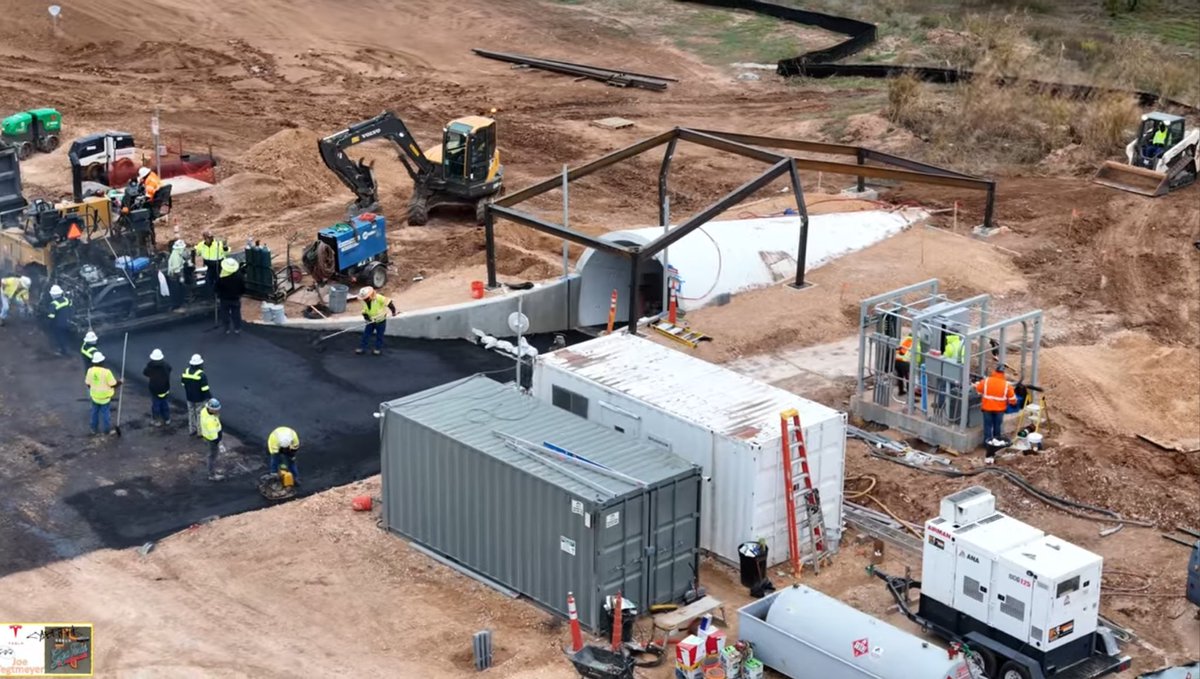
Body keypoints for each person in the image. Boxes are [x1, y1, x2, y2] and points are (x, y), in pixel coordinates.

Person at [974, 364, 1018, 463]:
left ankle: (987, 446)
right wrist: (1010, 402)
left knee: (987, 427)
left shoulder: (987, 381)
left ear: (995, 371)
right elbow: (1013, 400)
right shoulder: (1006, 385)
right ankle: (997, 446)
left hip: (987, 409)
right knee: (997, 426)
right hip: (999, 410)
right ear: (1003, 373)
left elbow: (978, 389)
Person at [85, 351, 120, 436]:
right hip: (105, 398)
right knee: (105, 415)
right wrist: (121, 382)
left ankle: (93, 429)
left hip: (94, 397)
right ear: (102, 361)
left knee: (94, 413)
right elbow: (113, 384)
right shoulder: (106, 372)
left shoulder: (90, 371)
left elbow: (88, 383)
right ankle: (107, 431)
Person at [356, 286, 396, 356]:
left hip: (380, 321)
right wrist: (366, 317)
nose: (364, 300)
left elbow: (389, 303)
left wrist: (393, 311)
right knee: (366, 334)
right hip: (370, 321)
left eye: (366, 298)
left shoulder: (379, 298)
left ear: (370, 295)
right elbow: (364, 311)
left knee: (379, 336)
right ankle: (362, 348)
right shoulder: (364, 301)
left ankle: (377, 349)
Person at [181, 353, 212, 436]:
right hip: (199, 399)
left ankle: (192, 429)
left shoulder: (185, 371)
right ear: (199, 364)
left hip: (189, 397)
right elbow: (205, 389)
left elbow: (183, 384)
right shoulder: (201, 375)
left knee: (191, 413)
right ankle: (200, 432)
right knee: (200, 414)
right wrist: (209, 398)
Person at [214, 257, 245, 334]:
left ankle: (227, 328)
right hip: (235, 298)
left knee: (225, 314)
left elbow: (216, 288)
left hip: (224, 299)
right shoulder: (239, 276)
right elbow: (243, 287)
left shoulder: (221, 277)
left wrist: (218, 295)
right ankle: (237, 328)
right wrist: (240, 294)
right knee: (236, 313)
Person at [143, 348, 173, 427]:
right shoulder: (166, 366)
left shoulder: (151, 367)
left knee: (156, 406)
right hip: (165, 389)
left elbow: (145, 373)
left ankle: (156, 420)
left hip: (155, 391)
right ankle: (167, 419)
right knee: (165, 405)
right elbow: (170, 369)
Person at [198, 398, 225, 481]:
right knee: (212, 456)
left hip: (207, 437)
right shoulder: (210, 421)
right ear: (211, 409)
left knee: (211, 455)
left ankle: (212, 471)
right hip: (212, 440)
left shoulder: (204, 411)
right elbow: (214, 437)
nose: (217, 411)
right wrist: (220, 444)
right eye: (216, 410)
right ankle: (212, 475)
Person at [195, 231, 229, 297]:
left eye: (211, 237)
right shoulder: (201, 245)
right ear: (204, 238)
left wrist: (225, 246)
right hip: (209, 266)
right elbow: (198, 253)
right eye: (208, 238)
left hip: (218, 265)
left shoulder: (218, 244)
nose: (211, 239)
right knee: (208, 281)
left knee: (220, 281)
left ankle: (221, 295)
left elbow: (226, 252)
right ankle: (210, 296)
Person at [46, 284, 73, 356]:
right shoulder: (66, 300)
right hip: (68, 322)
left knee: (60, 337)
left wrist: (48, 325)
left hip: (59, 325)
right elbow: (71, 308)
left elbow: (51, 316)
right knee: (66, 336)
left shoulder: (53, 304)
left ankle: (64, 352)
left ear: (53, 295)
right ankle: (69, 348)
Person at [894, 332, 920, 396]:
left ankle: (901, 391)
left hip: (896, 361)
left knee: (900, 377)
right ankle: (910, 397)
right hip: (905, 362)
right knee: (909, 379)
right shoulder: (915, 343)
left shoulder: (904, 340)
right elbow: (917, 357)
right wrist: (918, 363)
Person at [167, 239, 189, 312]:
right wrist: (181, 277)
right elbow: (177, 269)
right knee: (176, 292)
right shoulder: (175, 256)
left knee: (181, 290)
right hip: (175, 277)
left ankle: (181, 304)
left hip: (177, 276)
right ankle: (176, 307)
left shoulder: (178, 254)